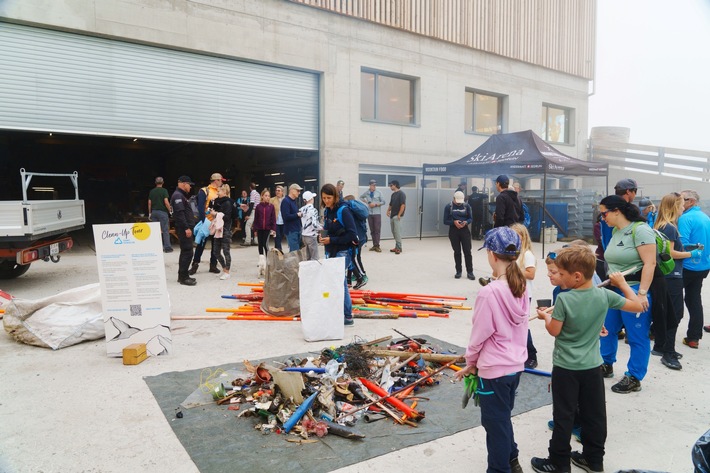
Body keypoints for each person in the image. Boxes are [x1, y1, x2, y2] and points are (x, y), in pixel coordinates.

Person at [531, 246, 643, 473]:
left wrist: (545, 317)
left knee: (564, 416)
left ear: (577, 276)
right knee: (595, 415)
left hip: (566, 367)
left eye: (561, 274)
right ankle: (594, 460)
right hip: (592, 367)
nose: (558, 277)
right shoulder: (605, 295)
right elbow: (638, 305)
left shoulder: (564, 300)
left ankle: (559, 463)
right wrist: (622, 284)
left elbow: (555, 331)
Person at [454, 226, 528, 473]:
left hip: (494, 371)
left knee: (494, 426)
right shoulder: (521, 286)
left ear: (492, 255)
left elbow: (479, 335)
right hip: (515, 367)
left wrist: (471, 362)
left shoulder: (490, 292)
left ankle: (499, 469)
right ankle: (512, 459)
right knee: (502, 417)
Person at [597, 195, 656, 394]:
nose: (602, 217)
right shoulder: (616, 230)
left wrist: (641, 294)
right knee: (607, 329)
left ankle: (634, 377)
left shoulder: (640, 230)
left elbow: (650, 263)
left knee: (637, 335)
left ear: (616, 211)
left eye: (604, 213)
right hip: (614, 290)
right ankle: (606, 364)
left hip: (633, 289)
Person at [653, 193, 700, 369]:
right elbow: (670, 254)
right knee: (675, 314)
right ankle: (668, 353)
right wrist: (691, 254)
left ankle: (663, 347)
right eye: (681, 205)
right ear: (674, 207)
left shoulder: (662, 225)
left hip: (667, 275)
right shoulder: (671, 228)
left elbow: (669, 248)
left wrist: (687, 247)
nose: (683, 208)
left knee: (667, 313)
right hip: (672, 276)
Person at [319, 183, 358, 326]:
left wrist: (332, 239)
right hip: (331, 250)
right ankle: (336, 313)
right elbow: (329, 229)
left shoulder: (344, 210)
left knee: (341, 283)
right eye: (324, 198)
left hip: (343, 252)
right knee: (332, 283)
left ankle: (348, 317)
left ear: (335, 196)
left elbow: (352, 235)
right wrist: (323, 237)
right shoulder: (327, 211)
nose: (326, 201)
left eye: (329, 198)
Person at [678, 190, 710, 347]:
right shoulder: (706, 218)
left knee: (672, 298)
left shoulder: (685, 218)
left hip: (687, 265)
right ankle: (694, 337)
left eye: (681, 199)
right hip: (702, 266)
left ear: (690, 201)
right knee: (693, 299)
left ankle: (658, 332)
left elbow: (682, 244)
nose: (679, 201)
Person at [511, 223, 538, 369]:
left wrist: (512, 270)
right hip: (513, 292)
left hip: (524, 294)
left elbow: (531, 274)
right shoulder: (512, 253)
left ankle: (532, 355)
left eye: (517, 236)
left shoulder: (526, 254)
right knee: (514, 325)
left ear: (523, 237)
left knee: (523, 325)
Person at [189, 173, 224, 275]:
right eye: (221, 180)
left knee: (216, 245)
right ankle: (195, 265)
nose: (222, 182)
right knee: (200, 244)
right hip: (207, 222)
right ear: (216, 180)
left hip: (216, 222)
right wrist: (204, 221)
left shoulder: (220, 191)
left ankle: (213, 265)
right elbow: (200, 207)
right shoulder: (204, 191)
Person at [170, 176, 196, 286]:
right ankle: (183, 277)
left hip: (186, 228)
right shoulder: (178, 196)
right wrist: (186, 228)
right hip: (184, 229)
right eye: (189, 184)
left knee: (186, 252)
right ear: (184, 184)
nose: (190, 187)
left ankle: (183, 275)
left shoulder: (181, 195)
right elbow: (179, 214)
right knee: (187, 252)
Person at [443, 190, 474, 279]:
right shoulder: (448, 206)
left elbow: (471, 218)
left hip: (465, 231)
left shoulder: (466, 206)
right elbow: (445, 221)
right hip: (454, 231)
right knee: (457, 252)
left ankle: (470, 272)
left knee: (467, 252)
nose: (459, 203)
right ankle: (458, 271)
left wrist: (466, 222)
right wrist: (454, 222)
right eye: (457, 201)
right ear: (453, 199)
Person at [343, 195, 368, 290]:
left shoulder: (350, 210)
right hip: (361, 237)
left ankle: (362, 276)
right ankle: (349, 280)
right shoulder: (356, 210)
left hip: (356, 238)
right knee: (353, 257)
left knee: (354, 258)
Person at [210, 184, 233, 280]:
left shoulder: (227, 203)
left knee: (226, 251)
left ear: (224, 192)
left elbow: (227, 217)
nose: (217, 192)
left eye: (219, 191)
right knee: (216, 251)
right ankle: (224, 269)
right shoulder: (217, 202)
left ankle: (227, 271)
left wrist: (216, 214)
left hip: (225, 229)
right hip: (217, 230)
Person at [253, 188, 276, 277]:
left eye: (268, 196)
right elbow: (256, 218)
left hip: (267, 228)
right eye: (265, 196)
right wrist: (255, 229)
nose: (267, 197)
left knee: (265, 245)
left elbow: (273, 218)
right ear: (262, 196)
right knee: (260, 244)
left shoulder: (271, 207)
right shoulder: (258, 207)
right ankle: (261, 261)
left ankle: (268, 262)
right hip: (259, 228)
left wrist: (273, 229)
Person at [147, 176, 172, 253]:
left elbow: (149, 203)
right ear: (163, 183)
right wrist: (170, 210)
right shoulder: (164, 191)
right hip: (162, 213)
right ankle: (167, 248)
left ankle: (156, 247)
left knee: (155, 231)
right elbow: (166, 202)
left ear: (155, 183)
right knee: (165, 230)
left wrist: (150, 213)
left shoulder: (152, 191)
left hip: (154, 212)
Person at [360, 179, 385, 252]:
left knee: (377, 230)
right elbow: (361, 197)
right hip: (369, 214)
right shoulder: (367, 193)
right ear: (370, 185)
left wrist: (376, 204)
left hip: (377, 213)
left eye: (375, 185)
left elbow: (383, 202)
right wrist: (366, 202)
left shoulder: (379, 192)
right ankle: (374, 245)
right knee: (372, 230)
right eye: (373, 185)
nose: (374, 186)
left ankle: (377, 245)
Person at [299, 190, 322, 261]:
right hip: (311, 236)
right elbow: (314, 224)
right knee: (315, 258)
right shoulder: (313, 210)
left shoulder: (302, 209)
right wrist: (321, 228)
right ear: (311, 199)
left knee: (308, 258)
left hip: (304, 235)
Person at [281, 183, 304, 252]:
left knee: (297, 252)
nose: (299, 193)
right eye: (298, 191)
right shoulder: (286, 201)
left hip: (297, 229)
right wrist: (297, 215)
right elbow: (286, 216)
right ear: (292, 190)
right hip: (291, 230)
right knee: (294, 252)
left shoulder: (293, 201)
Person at [386, 180, 406, 254]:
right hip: (392, 215)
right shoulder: (393, 195)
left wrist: (399, 214)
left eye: (391, 185)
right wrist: (388, 211)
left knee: (397, 232)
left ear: (395, 185)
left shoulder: (401, 194)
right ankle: (397, 246)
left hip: (397, 216)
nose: (390, 187)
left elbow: (403, 205)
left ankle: (398, 248)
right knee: (394, 232)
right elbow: (391, 204)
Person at [270, 185, 285, 251]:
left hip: (283, 221)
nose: (277, 192)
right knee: (277, 236)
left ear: (282, 192)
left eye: (279, 191)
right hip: (275, 221)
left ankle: (276, 249)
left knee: (281, 236)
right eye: (276, 190)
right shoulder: (272, 200)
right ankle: (279, 251)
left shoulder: (285, 200)